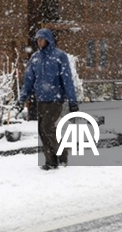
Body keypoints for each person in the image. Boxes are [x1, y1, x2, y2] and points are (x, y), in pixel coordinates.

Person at [17, 28, 78, 170]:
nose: (39, 42)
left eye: (41, 39)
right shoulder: (35, 58)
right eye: (37, 40)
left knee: (47, 126)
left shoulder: (59, 56)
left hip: (56, 99)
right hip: (41, 99)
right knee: (42, 130)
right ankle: (51, 161)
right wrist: (22, 100)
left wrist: (72, 102)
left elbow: (67, 80)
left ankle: (62, 153)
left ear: (48, 40)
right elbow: (28, 81)